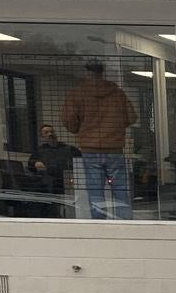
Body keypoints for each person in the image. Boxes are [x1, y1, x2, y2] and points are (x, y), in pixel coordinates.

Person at [61, 61, 137, 219]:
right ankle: (125, 223)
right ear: (103, 73)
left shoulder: (78, 93)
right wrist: (115, 126)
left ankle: (99, 224)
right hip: (114, 147)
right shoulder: (117, 93)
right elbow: (131, 117)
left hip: (90, 148)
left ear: (86, 73)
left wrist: (80, 129)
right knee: (120, 189)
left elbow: (69, 120)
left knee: (95, 190)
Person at [26, 124, 77, 195]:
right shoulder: (39, 151)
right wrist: (35, 163)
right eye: (46, 132)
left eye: (52, 132)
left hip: (67, 181)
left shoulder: (68, 149)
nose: (50, 134)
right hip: (48, 184)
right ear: (42, 137)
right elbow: (30, 165)